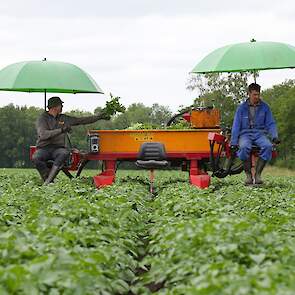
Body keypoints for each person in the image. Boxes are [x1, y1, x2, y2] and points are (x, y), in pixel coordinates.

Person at [32, 96, 110, 185]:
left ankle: (47, 182)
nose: (62, 107)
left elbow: (81, 120)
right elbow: (43, 135)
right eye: (61, 105)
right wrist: (62, 130)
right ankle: (48, 179)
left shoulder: (64, 118)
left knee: (63, 153)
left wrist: (99, 117)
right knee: (36, 158)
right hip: (43, 148)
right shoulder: (42, 119)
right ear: (55, 107)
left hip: (58, 148)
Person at [230, 83, 280, 185]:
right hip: (245, 134)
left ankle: (258, 175)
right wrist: (234, 142)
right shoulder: (241, 108)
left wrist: (274, 136)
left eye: (258, 94)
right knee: (244, 147)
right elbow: (236, 125)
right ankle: (248, 175)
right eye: (254, 94)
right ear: (249, 94)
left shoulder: (265, 107)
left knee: (267, 146)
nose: (257, 97)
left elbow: (271, 123)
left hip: (260, 133)